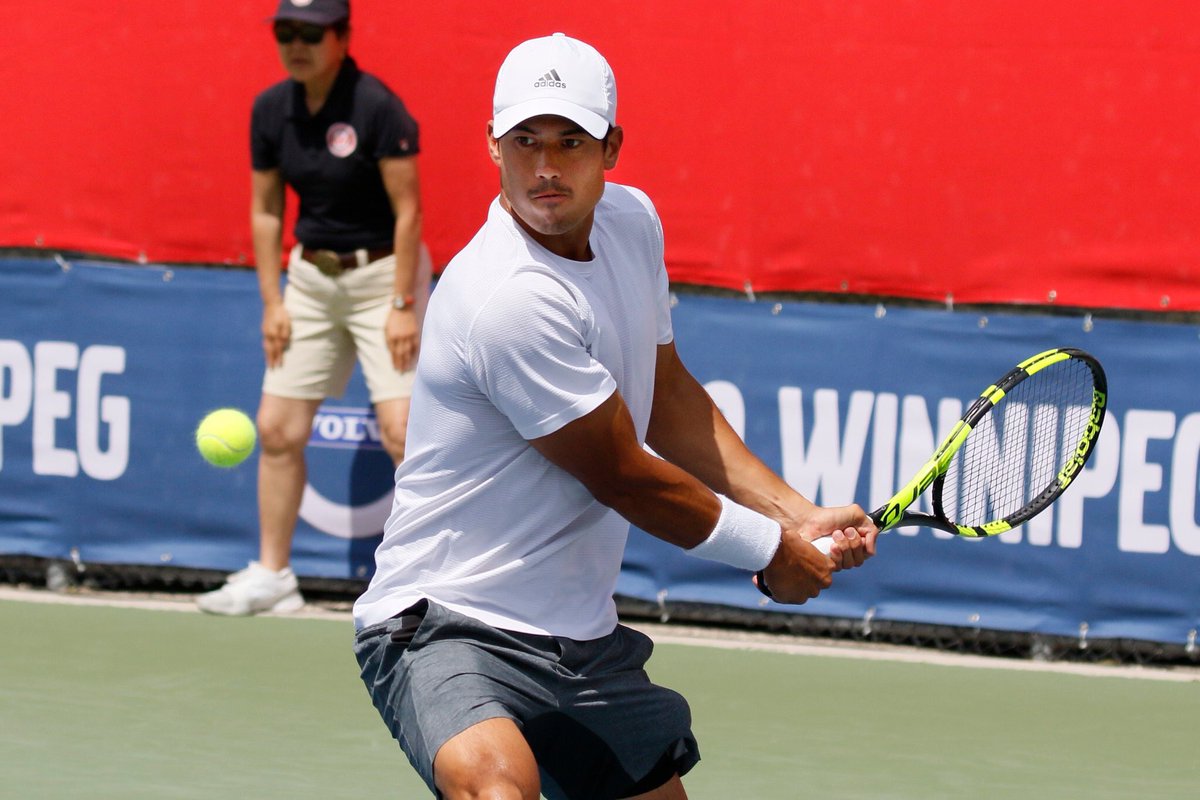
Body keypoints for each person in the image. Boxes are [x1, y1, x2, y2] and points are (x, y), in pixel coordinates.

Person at [352, 33, 879, 800]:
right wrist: (770, 550)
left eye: (571, 142)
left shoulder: (632, 223)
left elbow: (664, 395)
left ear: (612, 149)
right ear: (491, 146)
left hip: (581, 640)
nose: (545, 167)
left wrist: (796, 515)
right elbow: (623, 475)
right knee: (497, 790)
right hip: (445, 619)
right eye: (524, 141)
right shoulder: (505, 297)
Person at [198, 0, 425, 616]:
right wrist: (273, 299)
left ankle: (421, 583)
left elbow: (408, 211)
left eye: (310, 33)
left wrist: (404, 303)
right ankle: (273, 576)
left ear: (342, 37)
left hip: (382, 276)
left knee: (405, 433)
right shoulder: (271, 110)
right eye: (284, 32)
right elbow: (267, 210)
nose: (295, 44)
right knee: (277, 428)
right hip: (310, 278)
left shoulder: (376, 106)